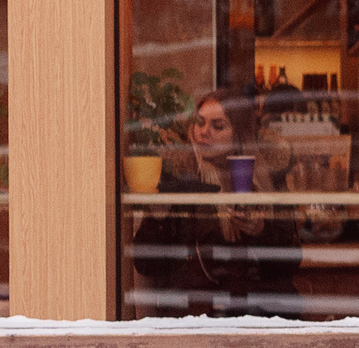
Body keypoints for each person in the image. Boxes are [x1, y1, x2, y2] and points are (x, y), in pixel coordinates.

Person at [127, 89, 302, 316]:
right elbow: (146, 264)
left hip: (259, 314)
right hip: (196, 316)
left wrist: (261, 231)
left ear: (239, 134)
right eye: (200, 123)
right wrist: (159, 217)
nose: (204, 132)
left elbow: (289, 265)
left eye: (218, 126)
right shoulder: (182, 180)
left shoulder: (266, 182)